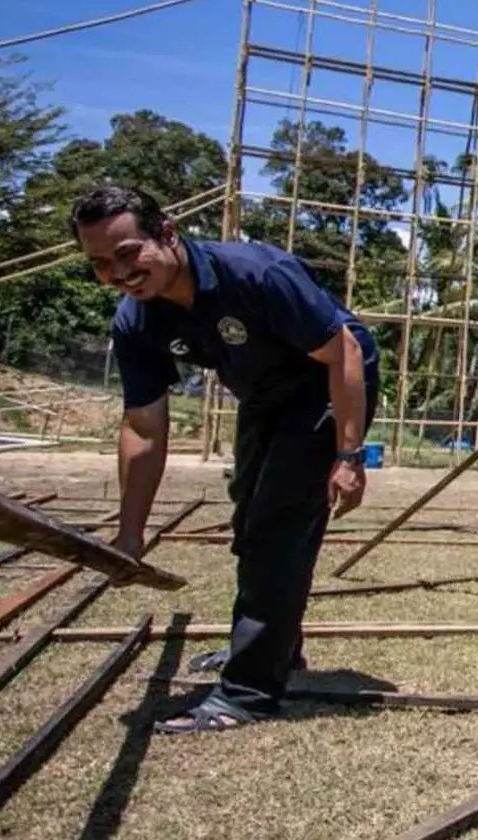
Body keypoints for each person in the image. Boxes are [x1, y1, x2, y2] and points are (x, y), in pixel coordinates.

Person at [70, 185, 378, 734]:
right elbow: (143, 426)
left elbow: (345, 353)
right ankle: (272, 650)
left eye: (127, 253)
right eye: (100, 264)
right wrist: (130, 534)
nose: (118, 274)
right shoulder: (137, 320)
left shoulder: (255, 274)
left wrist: (349, 455)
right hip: (264, 394)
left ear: (167, 234)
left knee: (277, 526)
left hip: (329, 383)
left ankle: (248, 691)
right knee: (247, 517)